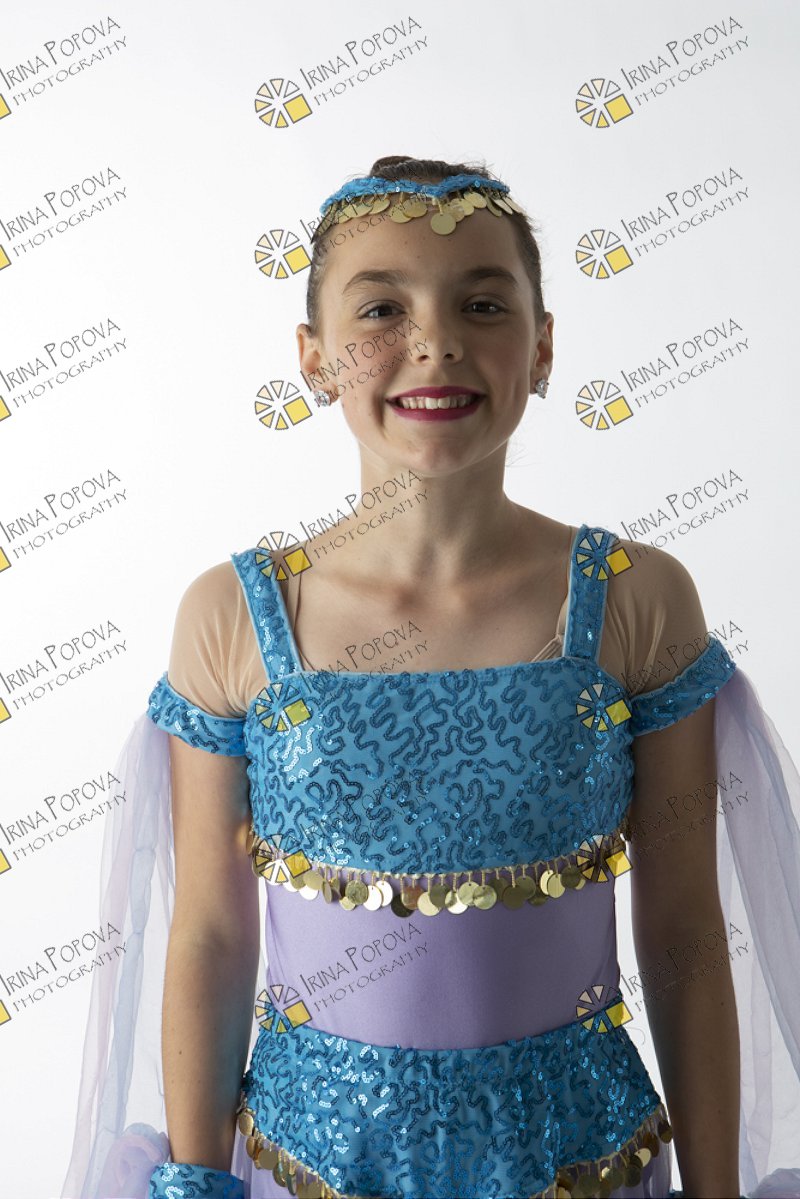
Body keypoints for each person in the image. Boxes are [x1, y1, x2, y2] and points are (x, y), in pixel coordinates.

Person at [62, 156, 800, 1199]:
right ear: (314, 358)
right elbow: (213, 935)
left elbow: (682, 927)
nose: (436, 341)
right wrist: (195, 1179)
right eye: (381, 308)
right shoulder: (233, 617)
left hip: (579, 1161)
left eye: (483, 304)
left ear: (542, 346)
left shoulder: (636, 600)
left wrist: (714, 1188)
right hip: (312, 1164)